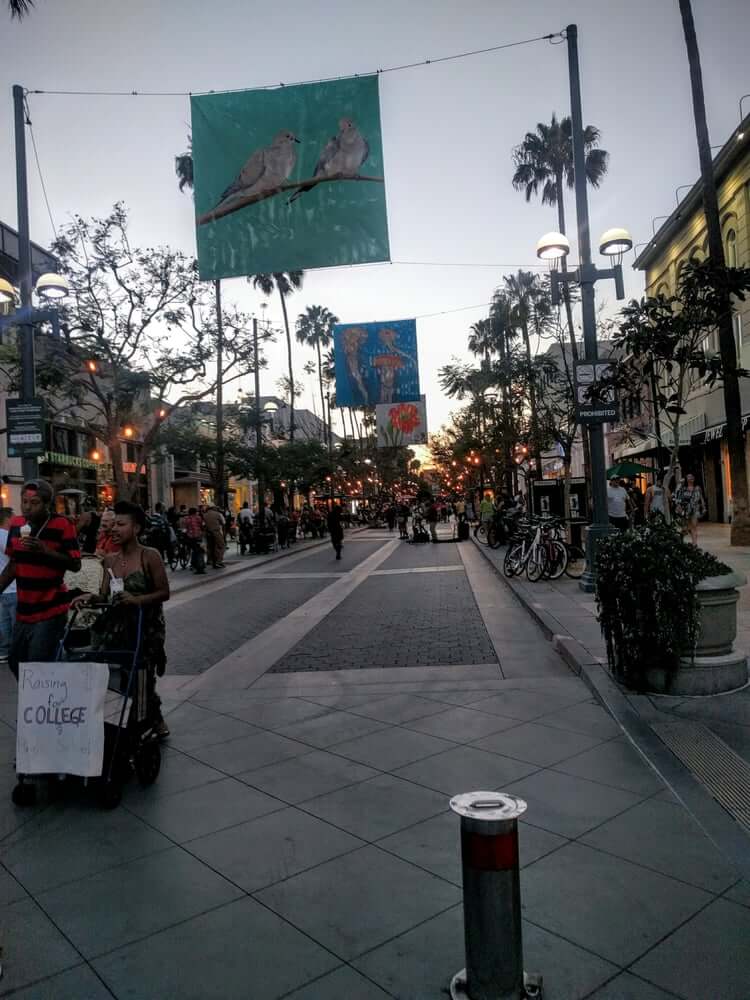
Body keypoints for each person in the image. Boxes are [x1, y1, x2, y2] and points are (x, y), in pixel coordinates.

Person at [74, 500, 170, 738]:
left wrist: (138, 600)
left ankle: (151, 719)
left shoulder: (150, 556)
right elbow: (105, 594)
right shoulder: (110, 560)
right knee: (115, 675)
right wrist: (89, 597)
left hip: (145, 628)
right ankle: (117, 723)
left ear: (136, 528)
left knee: (142, 678)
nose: (114, 529)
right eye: (113, 524)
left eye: (121, 524)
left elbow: (163, 592)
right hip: (115, 628)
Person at [0, 479, 81, 679]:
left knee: (37, 663)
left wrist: (45, 550)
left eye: (34, 503)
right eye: (24, 502)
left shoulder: (62, 524)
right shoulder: (17, 524)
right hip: (24, 609)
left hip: (50, 608)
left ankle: (44, 700)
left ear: (47, 504)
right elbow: (13, 565)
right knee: (15, 661)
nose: (27, 507)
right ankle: (41, 693)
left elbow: (75, 564)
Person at [0, 508, 17, 664]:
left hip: (2, 587)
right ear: (7, 519)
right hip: (12, 585)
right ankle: (16, 650)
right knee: (15, 621)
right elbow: (15, 554)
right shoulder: (5, 535)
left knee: (4, 620)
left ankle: (4, 651)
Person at [673, 473, 706, 545]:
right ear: (686, 479)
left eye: (692, 476)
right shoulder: (683, 489)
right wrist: (679, 483)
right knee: (685, 528)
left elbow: (701, 498)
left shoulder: (697, 488)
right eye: (689, 477)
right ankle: (680, 540)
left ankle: (694, 544)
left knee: (694, 526)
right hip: (686, 510)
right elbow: (677, 497)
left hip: (695, 509)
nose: (691, 478)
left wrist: (703, 507)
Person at [183, 506, 206, 573]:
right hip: (198, 536)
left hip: (190, 537)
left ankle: (193, 564)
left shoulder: (186, 519)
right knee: (199, 550)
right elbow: (202, 525)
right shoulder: (198, 518)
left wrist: (184, 534)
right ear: (195, 512)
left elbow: (185, 528)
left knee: (194, 550)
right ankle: (199, 565)